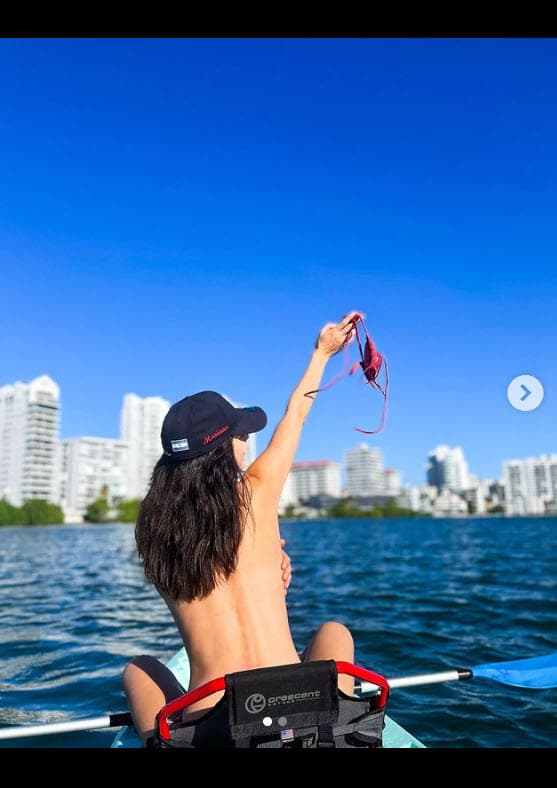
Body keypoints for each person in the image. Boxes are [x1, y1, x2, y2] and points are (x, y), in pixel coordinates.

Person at [123, 311, 360, 745]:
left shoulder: (154, 533)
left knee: (138, 667)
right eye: (241, 436)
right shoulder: (257, 492)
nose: (247, 442)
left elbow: (213, 581)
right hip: (306, 719)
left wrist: (271, 563)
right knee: (334, 633)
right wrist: (321, 353)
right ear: (222, 451)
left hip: (216, 730)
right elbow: (297, 415)